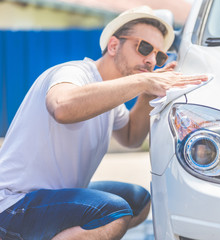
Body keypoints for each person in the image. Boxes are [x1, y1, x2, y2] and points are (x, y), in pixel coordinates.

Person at [0, 5, 207, 240]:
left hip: (52, 197)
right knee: (113, 213)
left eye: (158, 56)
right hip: (13, 204)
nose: (151, 61)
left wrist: (148, 94)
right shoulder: (74, 73)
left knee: (138, 201)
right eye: (144, 48)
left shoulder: (109, 98)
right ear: (113, 45)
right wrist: (143, 81)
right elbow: (62, 106)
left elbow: (131, 137)